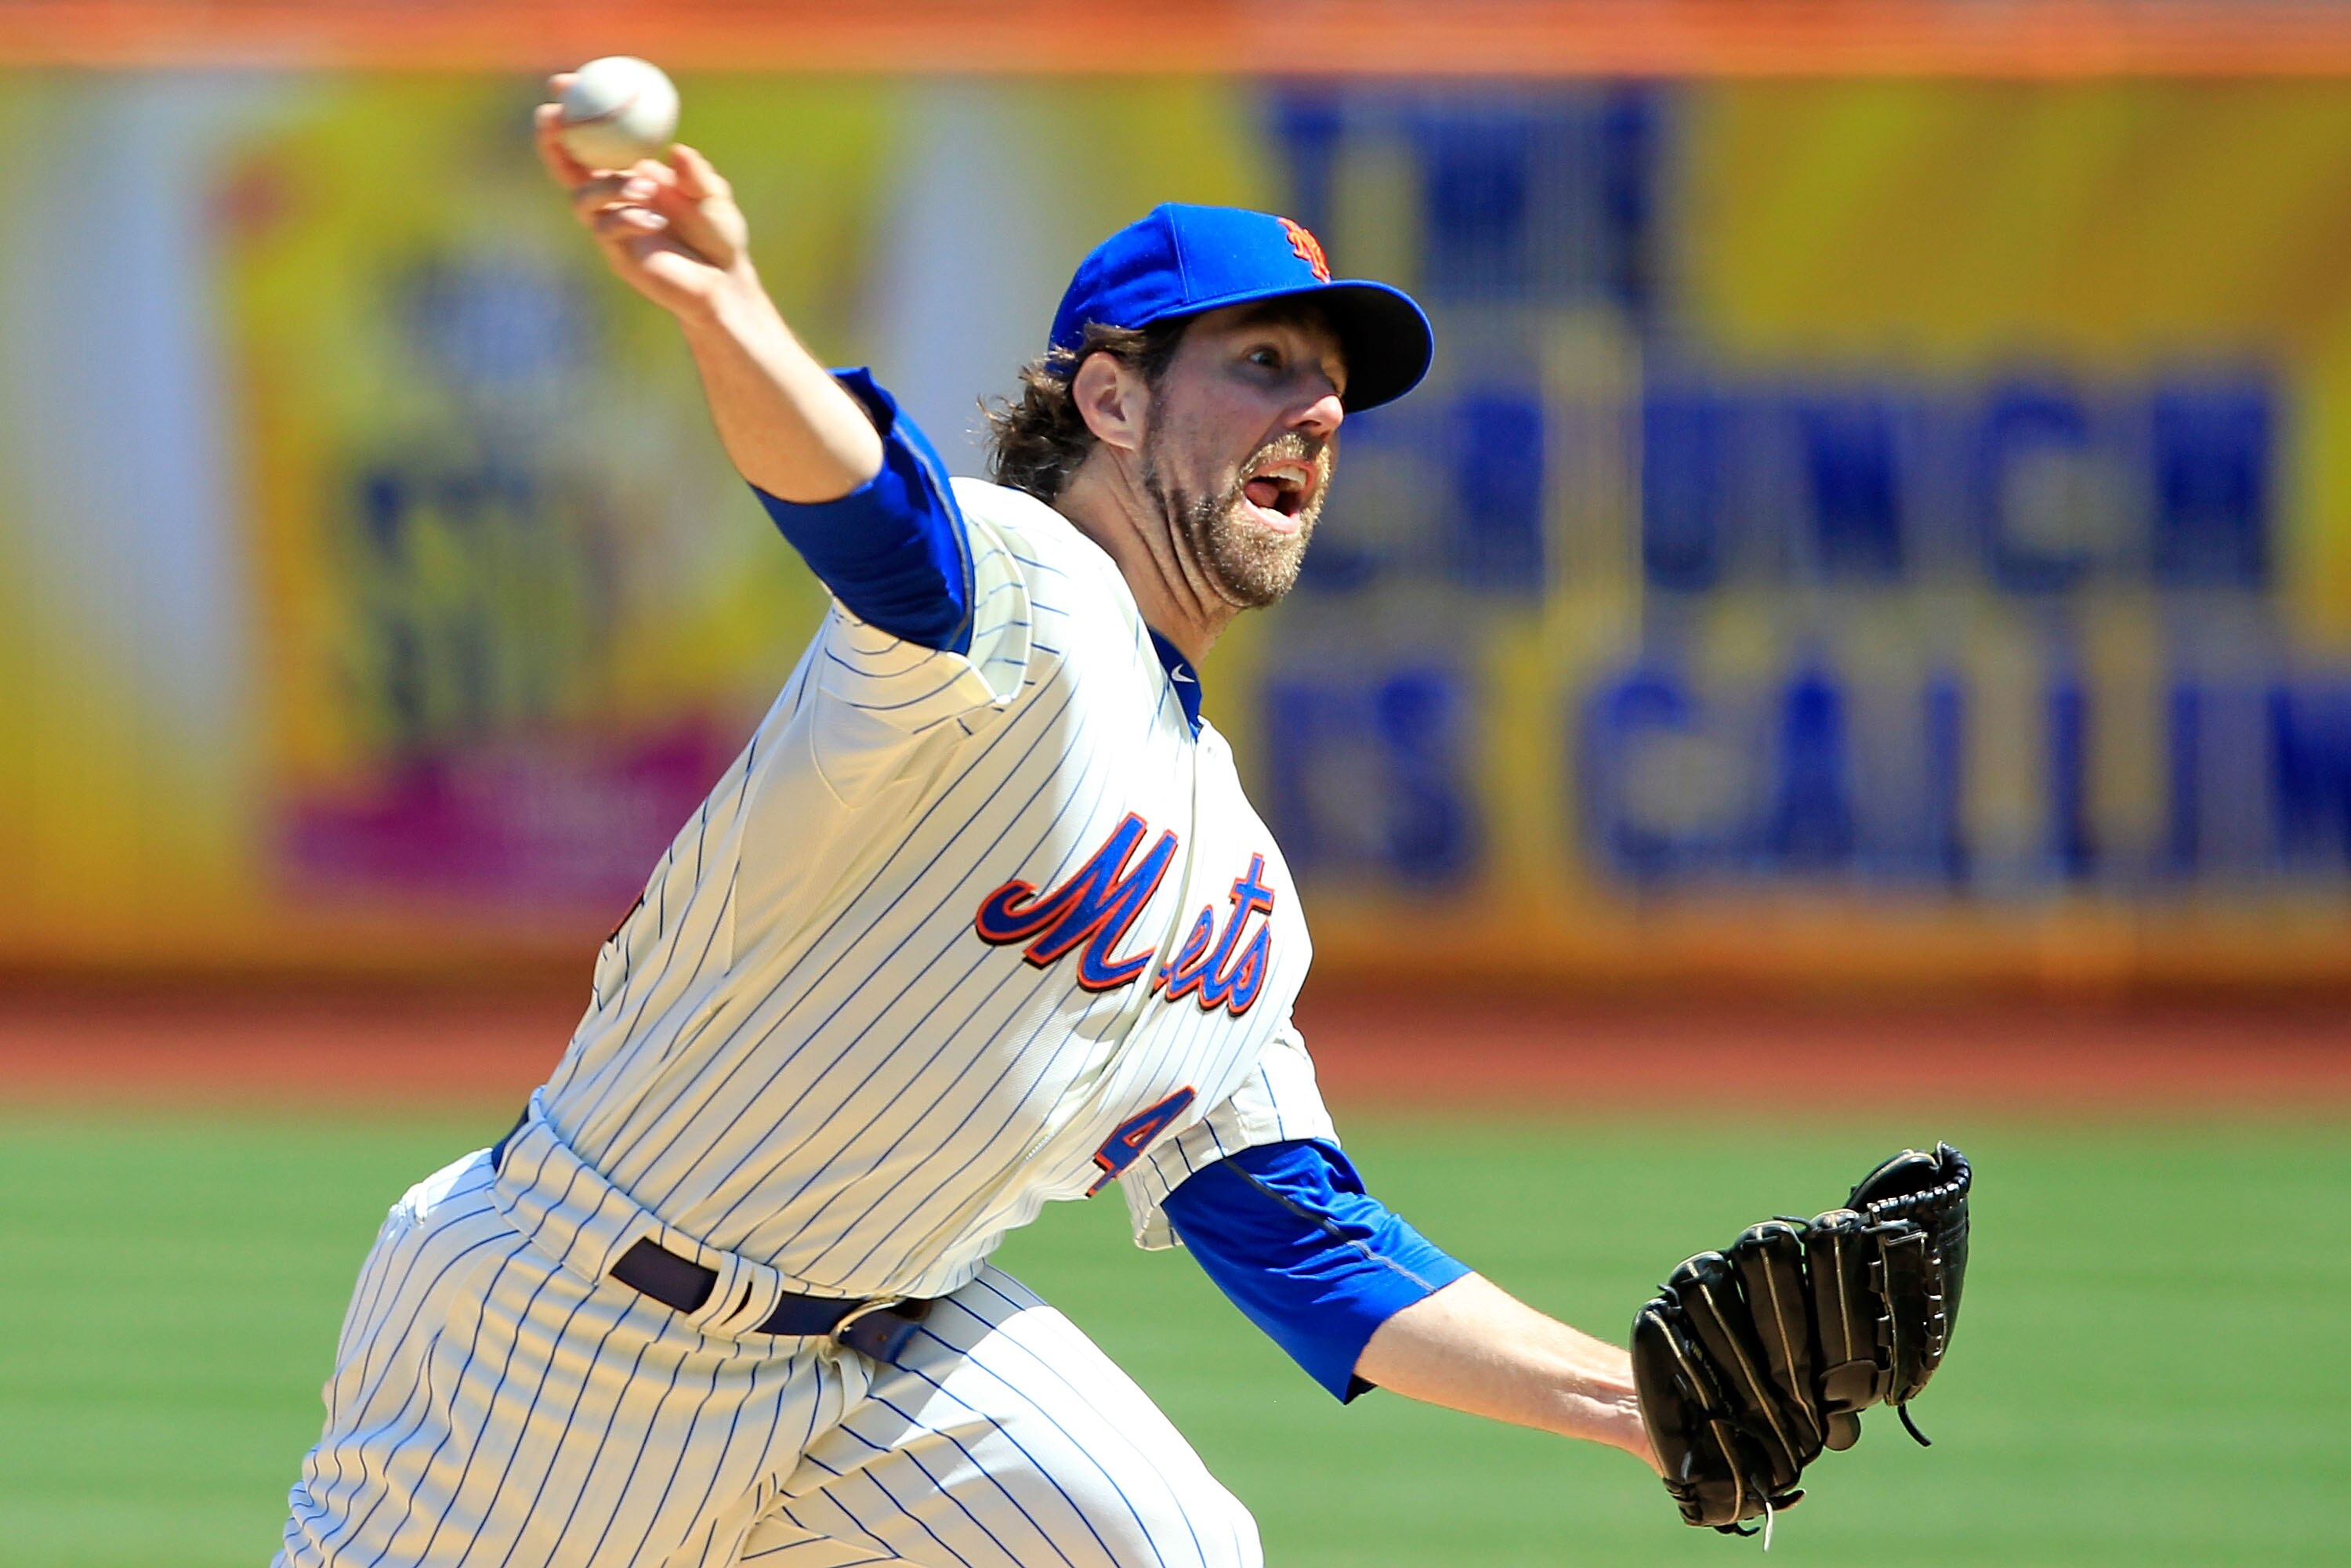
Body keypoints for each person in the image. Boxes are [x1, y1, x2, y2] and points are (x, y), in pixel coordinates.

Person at [277, 79, 1657, 1568]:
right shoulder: (1028, 588)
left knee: (1180, 1553)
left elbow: (1306, 1243)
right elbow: (880, 521)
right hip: (566, 1341)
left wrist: (1644, 1402)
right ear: (1112, 400)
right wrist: (728, 300)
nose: (1318, 412)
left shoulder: (1242, 875)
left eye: (1330, 389)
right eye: (1263, 362)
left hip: (892, 1363)